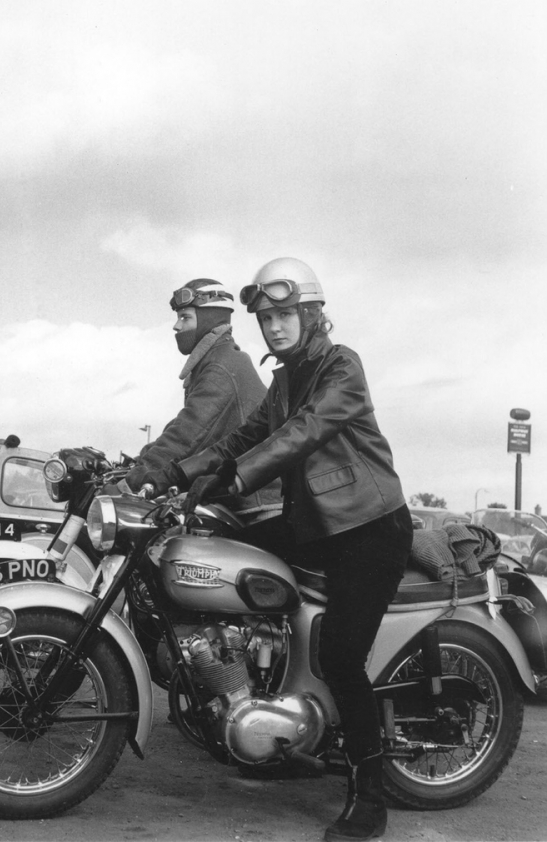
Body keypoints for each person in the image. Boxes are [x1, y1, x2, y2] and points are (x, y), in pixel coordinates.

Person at [149, 258, 412, 842]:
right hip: (314, 524)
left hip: (368, 530)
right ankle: (245, 692)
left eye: (285, 313)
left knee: (342, 658)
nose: (274, 326)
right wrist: (176, 473)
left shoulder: (341, 366)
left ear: (313, 313)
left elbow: (301, 434)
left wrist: (238, 478)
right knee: (217, 548)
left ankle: (369, 796)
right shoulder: (285, 379)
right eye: (266, 317)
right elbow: (246, 436)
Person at [122, 278, 281, 527]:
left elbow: (189, 434)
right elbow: (182, 426)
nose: (176, 326)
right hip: (239, 497)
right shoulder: (216, 360)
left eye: (185, 317)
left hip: (256, 508)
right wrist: (139, 460)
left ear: (208, 320)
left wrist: (134, 479)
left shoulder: (221, 366)